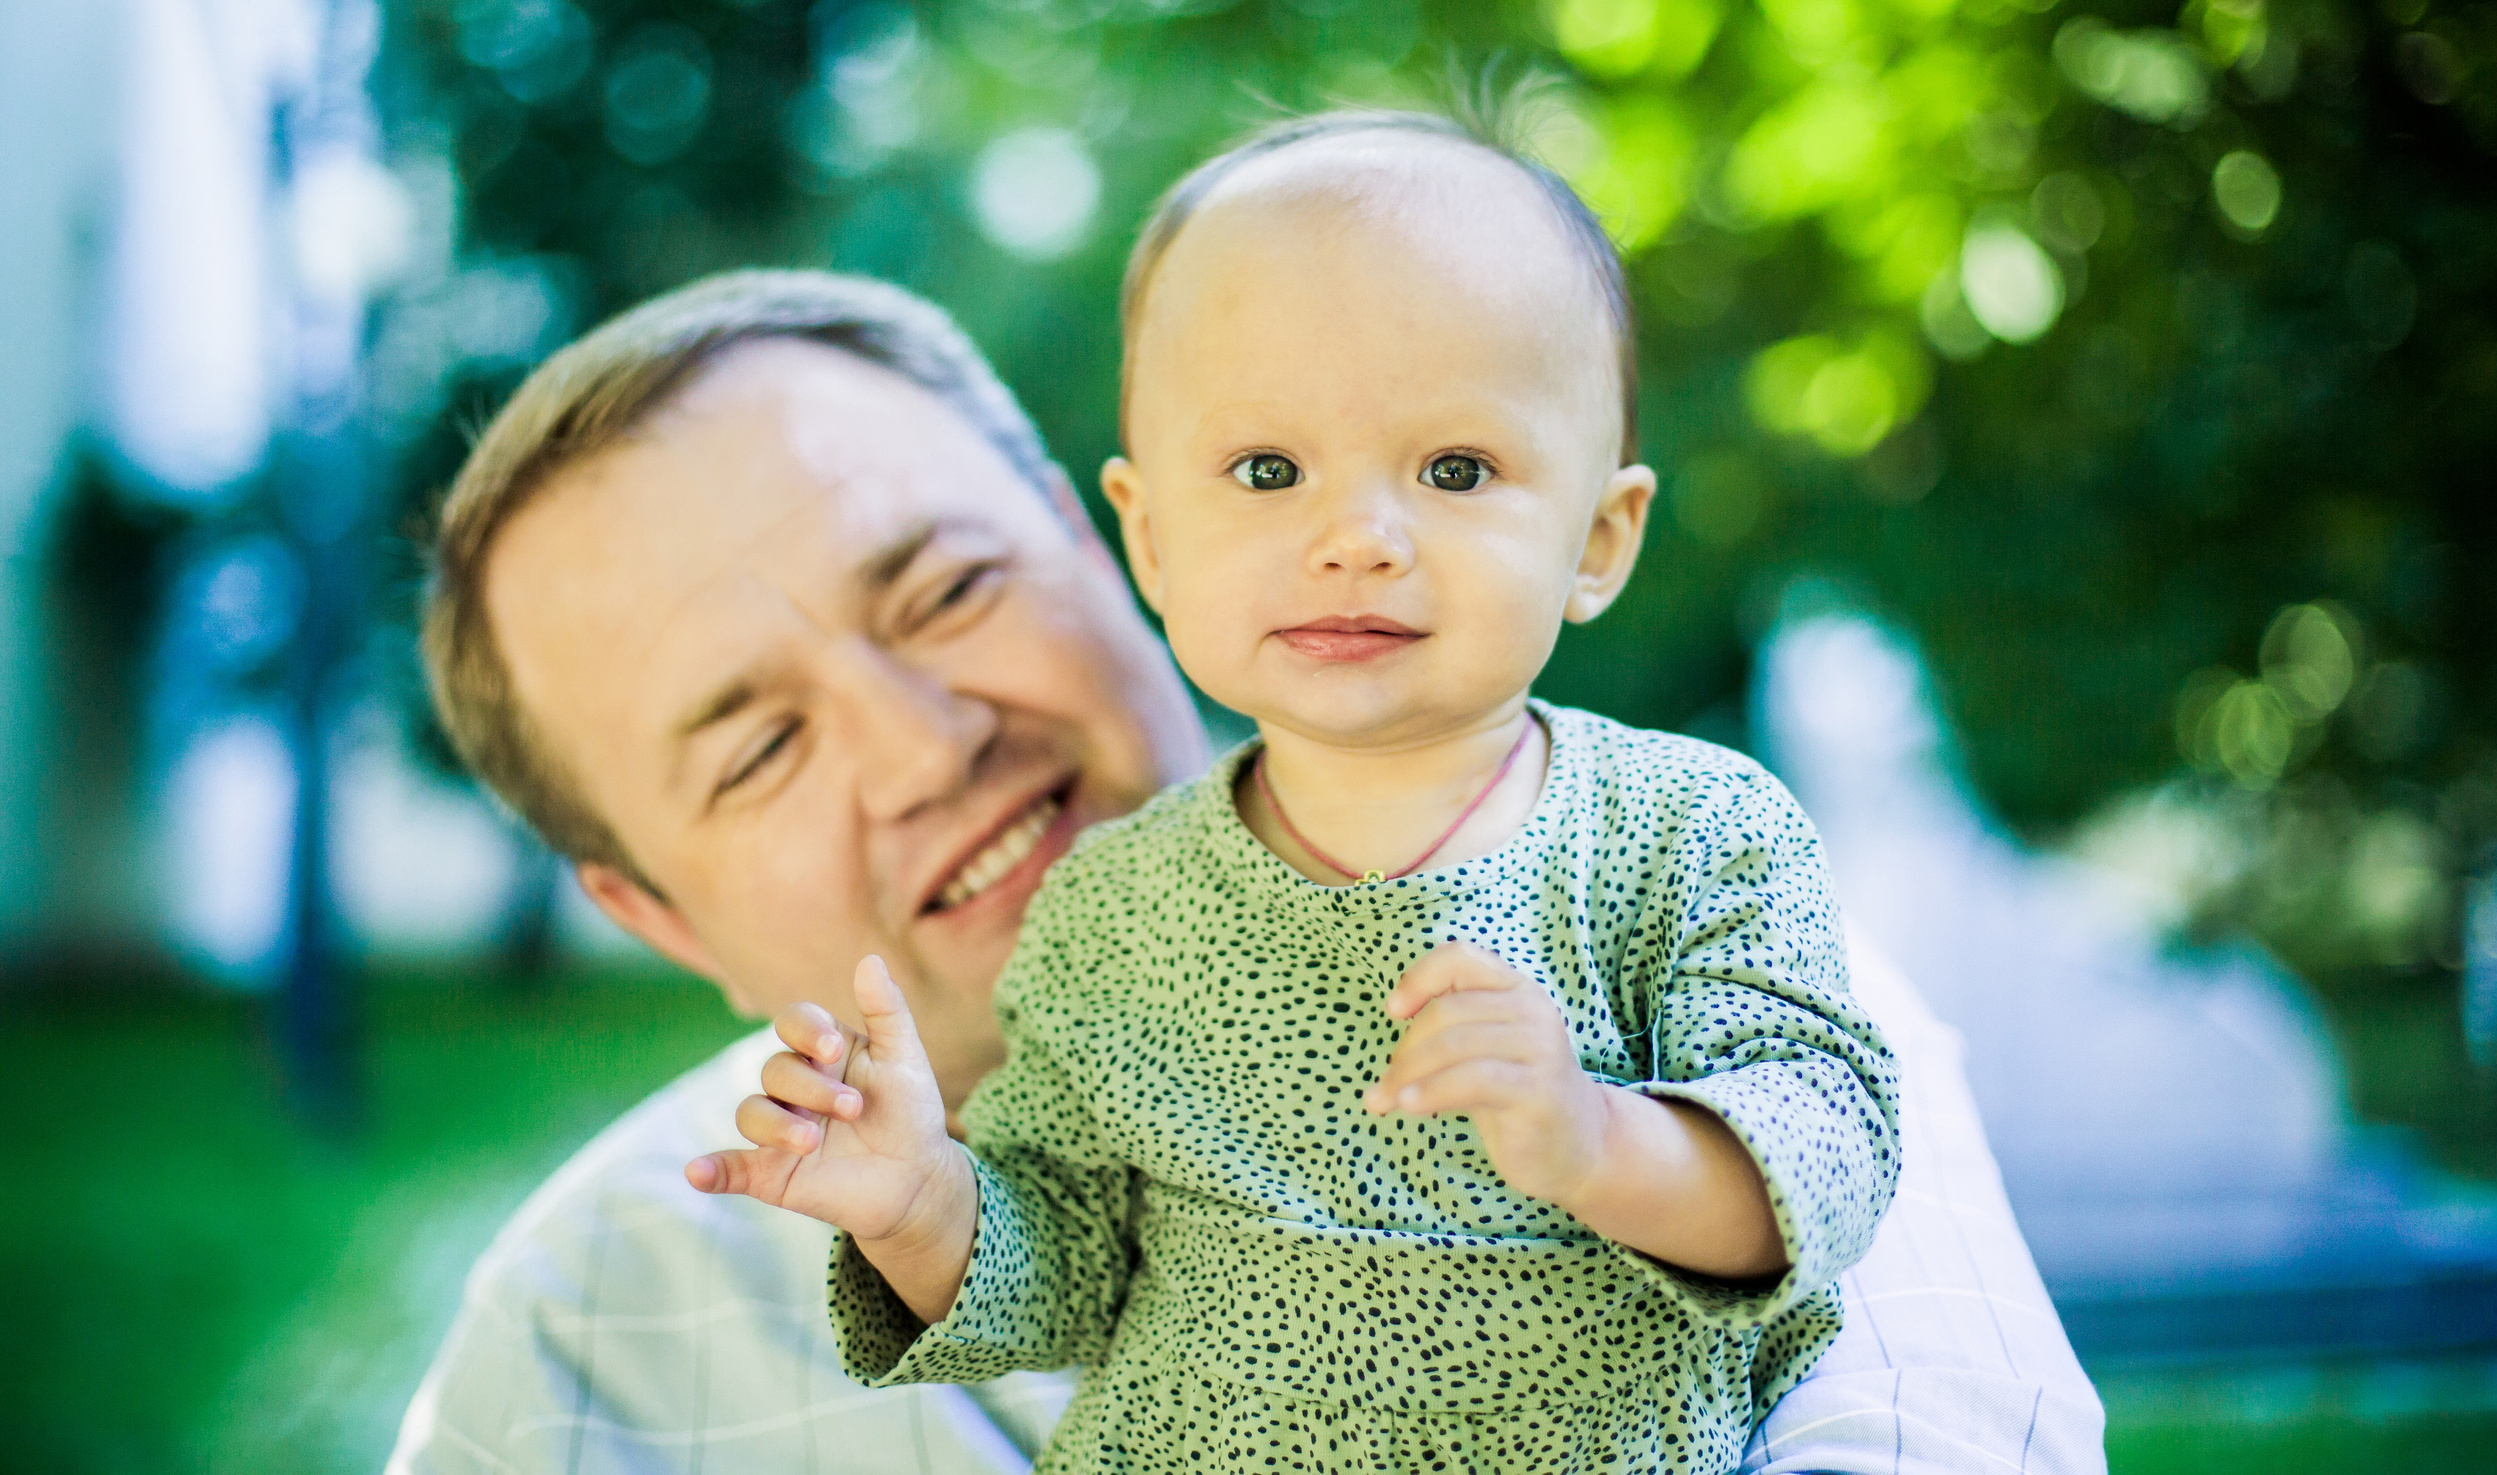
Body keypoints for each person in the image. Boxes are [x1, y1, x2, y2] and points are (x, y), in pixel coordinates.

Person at [389, 268, 2105, 1473]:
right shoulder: (571, 1353)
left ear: (1099, 541)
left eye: (948, 590)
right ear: (654, 916)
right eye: (759, 749)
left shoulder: (1686, 969)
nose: (926, 747)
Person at [697, 112, 1898, 1472]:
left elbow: (1828, 1155)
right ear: (1148, 536)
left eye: (1457, 470)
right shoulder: (1116, 906)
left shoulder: (1692, 833)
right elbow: (1071, 1265)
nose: (1357, 542)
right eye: (1267, 472)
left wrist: (1595, 1139)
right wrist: (921, 1203)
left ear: (1598, 538)